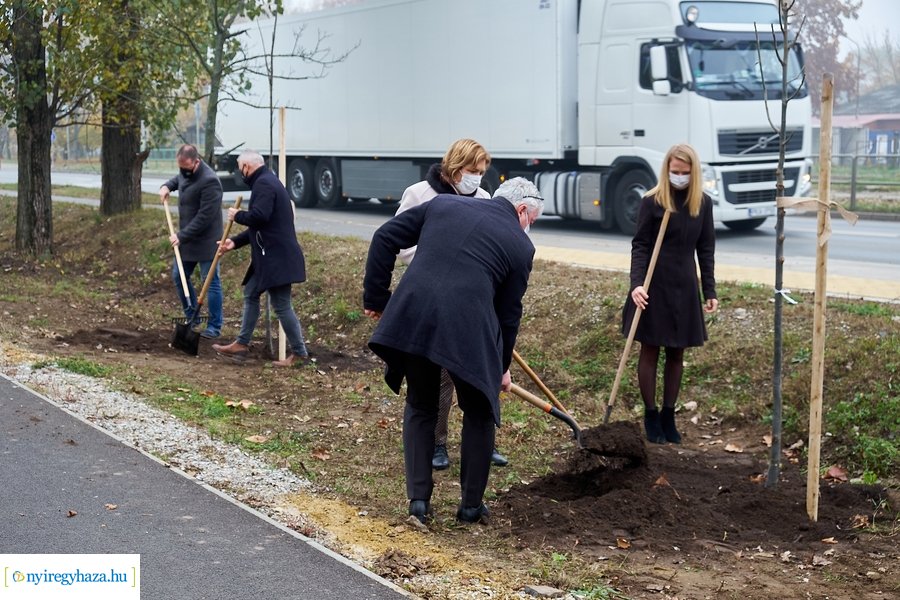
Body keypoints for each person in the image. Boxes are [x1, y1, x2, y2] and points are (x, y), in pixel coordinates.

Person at [363, 177, 543, 525]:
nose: (529, 228)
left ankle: (418, 501)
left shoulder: (443, 205)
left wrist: (376, 298)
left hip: (413, 315)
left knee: (421, 404)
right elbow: (508, 315)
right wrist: (500, 367)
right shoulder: (521, 247)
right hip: (466, 330)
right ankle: (471, 507)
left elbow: (384, 237)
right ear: (521, 210)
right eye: (531, 220)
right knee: (478, 411)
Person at [394, 138, 508, 471]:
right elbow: (399, 243)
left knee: (480, 372)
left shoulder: (486, 199)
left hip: (473, 302)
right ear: (455, 168)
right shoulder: (420, 195)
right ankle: (436, 443)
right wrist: (442, 260)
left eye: (482, 171)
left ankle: (483, 443)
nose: (478, 177)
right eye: (473, 171)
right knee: (441, 375)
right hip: (432, 300)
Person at [622, 143, 718, 445]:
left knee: (677, 352)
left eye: (684, 173)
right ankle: (650, 415)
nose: (679, 177)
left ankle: (668, 414)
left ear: (693, 173)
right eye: (674, 172)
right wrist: (636, 284)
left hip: (685, 285)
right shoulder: (652, 201)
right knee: (650, 350)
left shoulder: (702, 203)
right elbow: (640, 245)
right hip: (653, 284)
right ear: (667, 170)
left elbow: (706, 248)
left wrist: (709, 289)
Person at [211, 150, 310, 367]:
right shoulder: (266, 182)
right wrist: (234, 243)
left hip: (277, 258)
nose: (240, 173)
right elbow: (261, 226)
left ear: (247, 167)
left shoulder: (264, 184)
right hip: (269, 257)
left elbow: (259, 217)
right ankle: (242, 342)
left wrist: (237, 216)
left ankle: (300, 354)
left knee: (282, 305)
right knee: (251, 293)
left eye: (240, 169)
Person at [160, 144, 225, 339]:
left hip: (206, 241)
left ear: (197, 162)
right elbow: (177, 179)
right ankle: (192, 316)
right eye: (180, 168)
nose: (183, 172)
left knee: (211, 282)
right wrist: (166, 186)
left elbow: (204, 218)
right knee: (179, 276)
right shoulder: (185, 172)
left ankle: (214, 326)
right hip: (188, 241)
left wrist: (181, 236)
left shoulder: (210, 181)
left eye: (186, 168)